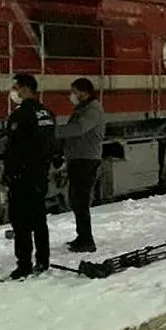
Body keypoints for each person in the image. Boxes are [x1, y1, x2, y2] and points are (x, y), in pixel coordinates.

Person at [2, 73, 56, 279]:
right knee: (39, 220)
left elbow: (14, 149)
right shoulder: (47, 113)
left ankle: (24, 265)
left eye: (16, 88)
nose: (13, 92)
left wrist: (9, 174)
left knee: (21, 223)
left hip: (22, 177)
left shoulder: (20, 115)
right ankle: (43, 260)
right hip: (40, 174)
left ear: (24, 89)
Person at [56, 77, 106, 253]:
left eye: (74, 92)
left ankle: (87, 240)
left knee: (81, 200)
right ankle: (82, 236)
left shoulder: (93, 110)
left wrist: (50, 131)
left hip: (86, 159)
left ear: (84, 92)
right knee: (76, 199)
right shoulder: (83, 108)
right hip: (78, 158)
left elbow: (78, 129)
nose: (72, 95)